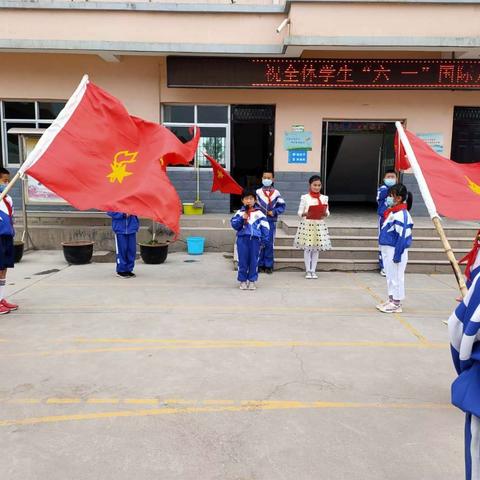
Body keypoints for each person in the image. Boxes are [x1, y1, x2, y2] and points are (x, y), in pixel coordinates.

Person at [377, 183, 413, 314]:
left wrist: (398, 254)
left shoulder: (402, 215)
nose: (388, 198)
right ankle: (391, 298)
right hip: (388, 249)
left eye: (390, 196)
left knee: (397, 276)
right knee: (390, 276)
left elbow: (403, 237)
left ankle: (397, 303)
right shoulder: (393, 212)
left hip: (396, 250)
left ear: (398, 198)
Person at [294, 175, 332, 279]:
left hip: (319, 224)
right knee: (308, 249)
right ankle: (308, 270)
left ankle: (313, 270)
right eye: (314, 185)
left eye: (319, 185)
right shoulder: (305, 197)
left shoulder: (324, 198)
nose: (317, 187)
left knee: (316, 249)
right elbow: (299, 212)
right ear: (310, 185)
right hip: (307, 224)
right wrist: (305, 213)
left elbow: (327, 211)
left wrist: (325, 214)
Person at [231, 190, 270, 290]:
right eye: (246, 199)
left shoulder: (260, 214)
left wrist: (264, 241)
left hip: (255, 241)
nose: (249, 201)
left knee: (254, 261)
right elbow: (234, 225)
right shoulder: (239, 213)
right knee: (242, 261)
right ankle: (243, 280)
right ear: (242, 200)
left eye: (251, 199)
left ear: (255, 200)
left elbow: (265, 228)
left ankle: (252, 281)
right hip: (242, 240)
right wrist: (242, 218)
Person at [256, 171, 286, 274]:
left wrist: (274, 212)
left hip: (270, 221)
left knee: (269, 243)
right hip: (260, 221)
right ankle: (259, 264)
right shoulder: (257, 192)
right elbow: (253, 205)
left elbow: (282, 206)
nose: (266, 180)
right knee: (260, 242)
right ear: (261, 179)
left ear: (273, 179)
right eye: (265, 177)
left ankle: (268, 265)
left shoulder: (276, 193)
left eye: (269, 178)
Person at [0, 168, 18, 315]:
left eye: (7, 181)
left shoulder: (8, 198)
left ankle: (1, 298)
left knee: (3, 270)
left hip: (7, 237)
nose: (7, 184)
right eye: (4, 181)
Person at [377, 170, 398, 276]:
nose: (390, 179)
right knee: (383, 242)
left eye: (392, 177)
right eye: (388, 177)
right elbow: (381, 197)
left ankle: (392, 264)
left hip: (395, 218)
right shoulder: (382, 189)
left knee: (393, 242)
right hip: (384, 219)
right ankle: (383, 266)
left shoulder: (398, 190)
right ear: (384, 179)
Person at [107, 211, 139, 278]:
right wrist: (123, 214)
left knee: (131, 250)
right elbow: (110, 212)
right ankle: (121, 270)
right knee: (122, 250)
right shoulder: (114, 201)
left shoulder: (132, 201)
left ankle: (129, 269)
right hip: (120, 229)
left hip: (132, 228)